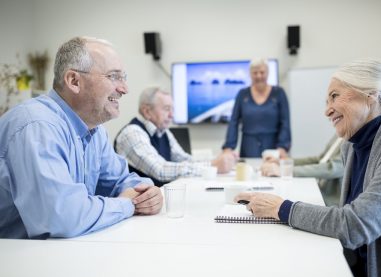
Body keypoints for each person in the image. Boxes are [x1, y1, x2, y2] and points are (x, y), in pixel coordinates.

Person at [235, 59, 381, 277]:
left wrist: (281, 208)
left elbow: (356, 224)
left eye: (335, 96)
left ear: (370, 96)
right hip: (364, 271)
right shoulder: (352, 147)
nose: (327, 110)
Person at [0, 36, 163, 239]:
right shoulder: (36, 127)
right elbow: (62, 217)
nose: (124, 89)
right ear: (74, 81)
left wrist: (146, 194)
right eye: (113, 77)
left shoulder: (94, 130)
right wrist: (127, 204)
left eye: (124, 77)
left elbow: (122, 182)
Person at [114, 86, 236, 187]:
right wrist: (213, 166)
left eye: (172, 109)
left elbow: (185, 159)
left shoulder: (163, 131)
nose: (172, 115)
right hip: (137, 208)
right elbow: (160, 170)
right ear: (147, 111)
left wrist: (218, 160)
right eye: (167, 109)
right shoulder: (132, 133)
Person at [222, 58, 291, 158]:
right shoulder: (242, 94)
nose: (259, 76)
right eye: (255, 73)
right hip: (248, 146)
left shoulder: (279, 93)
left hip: (273, 148)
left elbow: (285, 122)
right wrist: (228, 147)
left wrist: (282, 147)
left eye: (262, 72)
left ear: (268, 73)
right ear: (250, 74)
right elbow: (234, 122)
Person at [260, 134, 344, 206]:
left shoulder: (351, 140)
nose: (327, 114)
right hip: (319, 191)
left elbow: (331, 168)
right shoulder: (338, 135)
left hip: (329, 202)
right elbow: (319, 160)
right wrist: (283, 161)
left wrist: (285, 171)